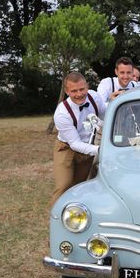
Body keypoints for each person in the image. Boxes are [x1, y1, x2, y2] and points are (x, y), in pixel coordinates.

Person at [51, 72, 106, 207]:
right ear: (67, 91)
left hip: (87, 146)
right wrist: (101, 149)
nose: (79, 94)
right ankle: (56, 217)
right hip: (66, 147)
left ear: (87, 86)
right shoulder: (62, 113)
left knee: (80, 186)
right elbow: (74, 143)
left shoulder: (94, 97)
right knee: (64, 185)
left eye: (82, 89)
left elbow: (106, 117)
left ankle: (74, 216)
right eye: (74, 91)